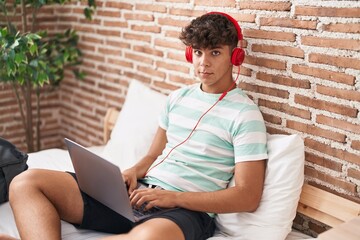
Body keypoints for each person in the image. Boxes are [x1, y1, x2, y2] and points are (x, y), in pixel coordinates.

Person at [3, 12, 268, 240]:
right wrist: (132, 172)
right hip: (139, 194)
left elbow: (247, 196)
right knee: (26, 181)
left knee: (145, 238)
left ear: (235, 57)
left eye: (215, 53)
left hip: (185, 211)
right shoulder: (177, 98)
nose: (203, 63)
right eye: (198, 52)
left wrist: (173, 198)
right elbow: (153, 155)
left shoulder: (245, 114)